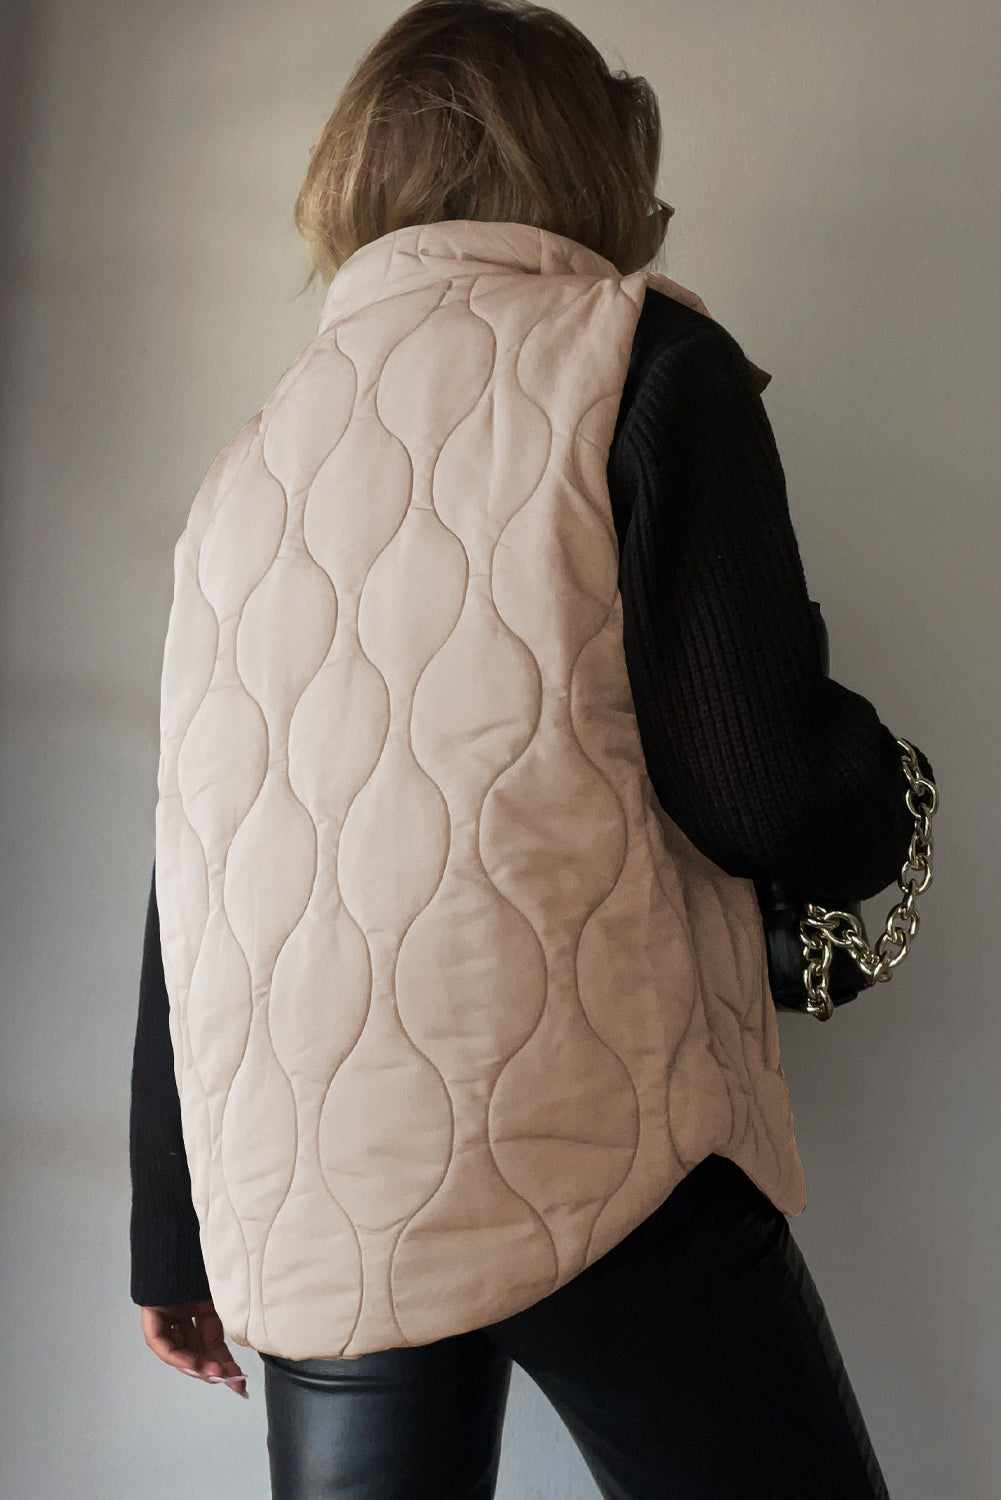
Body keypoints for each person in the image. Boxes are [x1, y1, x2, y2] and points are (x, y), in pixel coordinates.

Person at [129, 2, 934, 1496]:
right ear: (588, 161)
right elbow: (762, 785)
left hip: (316, 1181)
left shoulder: (249, 463)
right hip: (596, 1132)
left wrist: (172, 1233)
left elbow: (200, 852)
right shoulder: (638, 358)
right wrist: (891, 800)